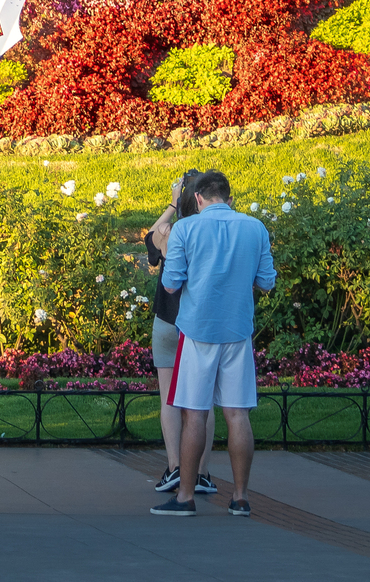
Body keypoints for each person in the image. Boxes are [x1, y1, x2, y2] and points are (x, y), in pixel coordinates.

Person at [154, 171, 275, 520]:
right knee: (237, 414)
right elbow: (266, 281)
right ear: (230, 198)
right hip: (237, 329)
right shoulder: (255, 228)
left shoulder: (186, 230)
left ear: (198, 199)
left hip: (197, 331)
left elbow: (172, 285)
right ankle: (240, 498)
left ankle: (185, 497)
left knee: (194, 415)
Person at [146, 170, 215, 498]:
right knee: (204, 402)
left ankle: (174, 467)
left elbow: (150, 235)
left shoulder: (168, 232)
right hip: (199, 323)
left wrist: (172, 204)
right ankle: (200, 473)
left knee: (168, 399)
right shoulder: (210, 233)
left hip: (167, 321)